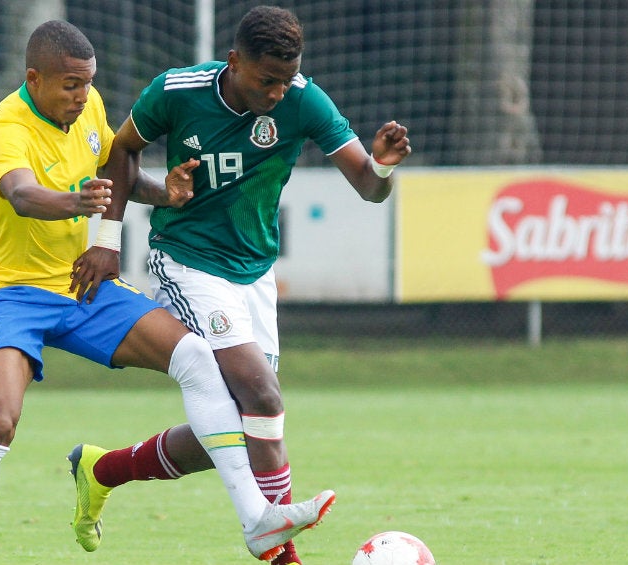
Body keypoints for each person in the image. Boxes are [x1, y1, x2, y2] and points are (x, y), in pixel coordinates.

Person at [0, 19, 336, 565]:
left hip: (82, 284)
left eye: (87, 83)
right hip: (11, 294)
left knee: (198, 359)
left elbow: (114, 172)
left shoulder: (93, 109)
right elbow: (23, 194)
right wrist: (73, 203)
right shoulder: (4, 130)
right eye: (70, 85)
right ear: (34, 78)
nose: (83, 97)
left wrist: (164, 194)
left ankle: (257, 522)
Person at [68, 6, 412, 565]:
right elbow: (123, 148)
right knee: (262, 395)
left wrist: (384, 167)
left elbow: (368, 186)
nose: (278, 93)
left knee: (245, 425)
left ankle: (101, 470)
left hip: (253, 273)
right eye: (266, 80)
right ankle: (278, 551)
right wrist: (108, 238)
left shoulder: (304, 99)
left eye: (286, 79)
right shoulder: (176, 91)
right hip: (186, 261)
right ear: (234, 62)